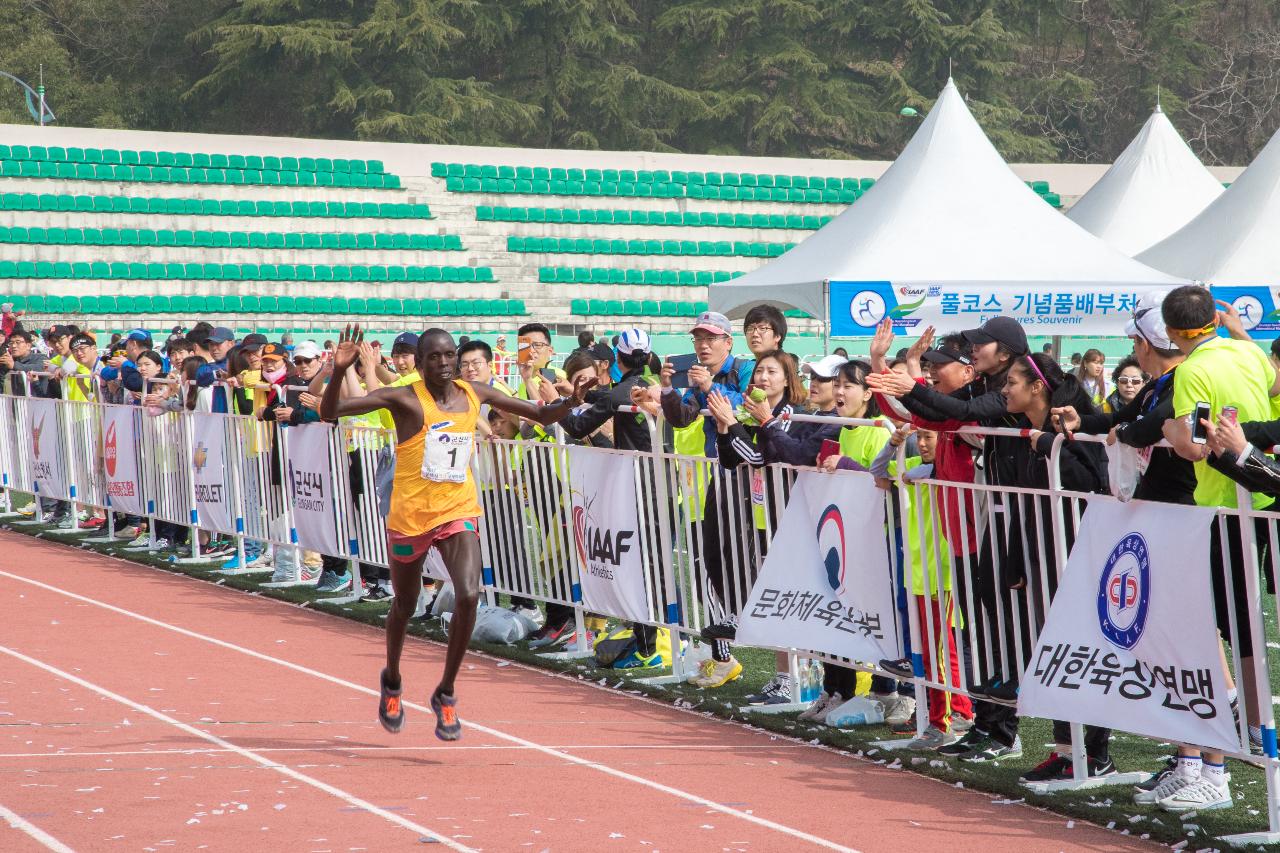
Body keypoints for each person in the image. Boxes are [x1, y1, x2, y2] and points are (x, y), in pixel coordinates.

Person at [319, 324, 596, 741]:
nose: (445, 363)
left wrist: (570, 405)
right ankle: (392, 678)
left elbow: (539, 414)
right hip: (411, 514)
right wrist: (340, 371)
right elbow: (329, 413)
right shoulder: (404, 398)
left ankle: (446, 692)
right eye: (435, 357)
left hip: (457, 509)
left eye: (450, 355)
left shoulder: (474, 393)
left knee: (468, 594)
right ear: (422, 362)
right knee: (406, 606)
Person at [867, 316, 1028, 763]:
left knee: (997, 640)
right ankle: (986, 724)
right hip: (962, 539)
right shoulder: (958, 405)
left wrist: (912, 378)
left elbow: (928, 408)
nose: (935, 373)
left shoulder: (980, 406)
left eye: (943, 365)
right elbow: (910, 411)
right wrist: (889, 365)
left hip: (989, 536)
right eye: (931, 366)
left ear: (971, 371)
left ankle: (1004, 731)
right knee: (982, 639)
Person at [1156, 284, 1280, 811]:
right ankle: (1243, 737)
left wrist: (1170, 433)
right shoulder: (1249, 352)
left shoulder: (1191, 370)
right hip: (1256, 501)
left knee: (1209, 630)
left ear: (1170, 333)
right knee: (1237, 627)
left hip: (1222, 505)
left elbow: (1197, 446)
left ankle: (1216, 764)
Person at [703, 349, 807, 696]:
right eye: (759, 371)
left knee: (792, 597)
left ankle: (797, 678)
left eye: (772, 372)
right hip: (763, 516)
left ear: (787, 380)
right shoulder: (754, 411)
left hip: (790, 516)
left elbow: (760, 457)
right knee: (777, 596)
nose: (762, 378)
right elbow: (732, 459)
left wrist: (735, 424)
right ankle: (784, 677)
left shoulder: (789, 414)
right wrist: (724, 426)